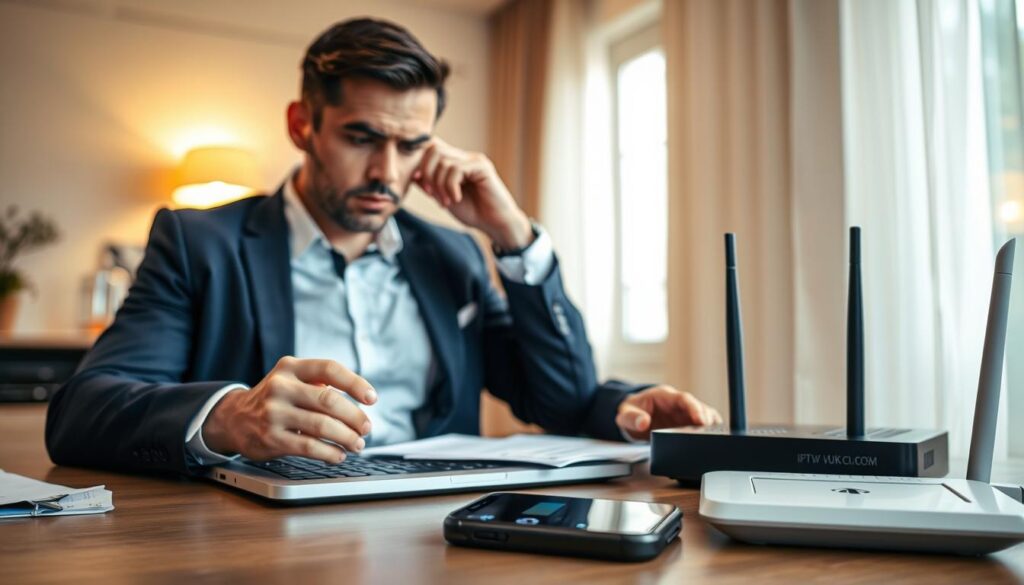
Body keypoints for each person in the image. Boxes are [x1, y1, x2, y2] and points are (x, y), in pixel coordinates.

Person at [45, 18, 720, 474]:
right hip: (259, 537)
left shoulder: (451, 256)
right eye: (363, 138)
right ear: (302, 124)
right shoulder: (202, 244)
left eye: (411, 145)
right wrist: (228, 415)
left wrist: (514, 236)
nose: (387, 172)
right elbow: (81, 412)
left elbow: (559, 398)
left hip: (436, 531)